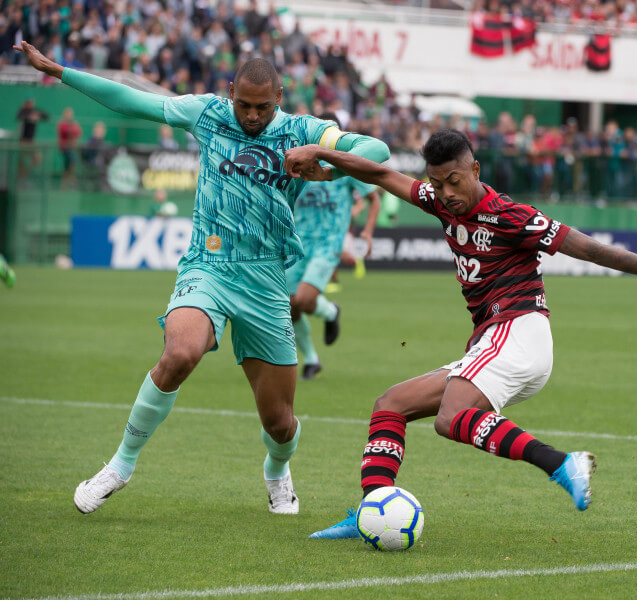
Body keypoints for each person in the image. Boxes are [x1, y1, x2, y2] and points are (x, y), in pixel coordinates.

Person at [14, 42, 390, 516]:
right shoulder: (208, 114)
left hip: (267, 281)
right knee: (180, 353)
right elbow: (134, 101)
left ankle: (277, 471)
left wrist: (322, 155)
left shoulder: (302, 130)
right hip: (207, 267)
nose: (251, 115)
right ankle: (120, 466)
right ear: (230, 92)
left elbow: (378, 150)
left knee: (279, 423)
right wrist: (62, 72)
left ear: (280, 96)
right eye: (243, 104)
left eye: (262, 107)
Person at [282, 129, 637, 538]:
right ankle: (371, 511)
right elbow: (379, 173)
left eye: (453, 181)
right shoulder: (437, 199)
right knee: (390, 405)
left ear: (475, 170)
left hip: (520, 330)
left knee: (450, 419)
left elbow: (589, 248)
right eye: (438, 183)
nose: (446, 193)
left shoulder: (511, 216)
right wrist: (322, 153)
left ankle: (563, 464)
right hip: (494, 339)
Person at [287, 113, 382, 380]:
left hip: (328, 243)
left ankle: (330, 311)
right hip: (298, 242)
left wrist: (368, 232)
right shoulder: (299, 164)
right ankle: (312, 360)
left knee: (304, 300)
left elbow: (374, 199)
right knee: (289, 307)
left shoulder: (346, 168)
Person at [57, 107, 82, 180]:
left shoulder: (74, 123)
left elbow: (78, 132)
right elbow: (65, 132)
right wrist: (72, 128)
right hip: (65, 148)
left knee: (71, 163)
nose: (68, 115)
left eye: (70, 114)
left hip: (72, 147)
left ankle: (70, 180)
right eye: (67, 113)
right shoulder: (62, 123)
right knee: (68, 164)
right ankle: (67, 182)